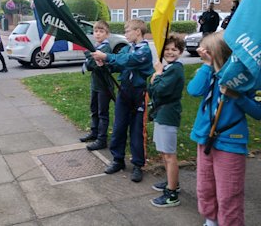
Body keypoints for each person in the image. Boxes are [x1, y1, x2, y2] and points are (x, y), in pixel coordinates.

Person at [187, 31, 261, 226]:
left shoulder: (246, 78)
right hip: (205, 138)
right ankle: (210, 220)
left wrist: (238, 96)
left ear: (220, 53)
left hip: (230, 141)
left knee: (229, 192)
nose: (203, 53)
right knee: (205, 186)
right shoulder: (209, 73)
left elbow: (258, 112)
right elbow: (193, 91)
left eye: (207, 50)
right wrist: (206, 65)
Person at [91, 19, 153, 182]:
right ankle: (118, 159)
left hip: (138, 93)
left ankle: (138, 164)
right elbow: (118, 64)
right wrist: (104, 63)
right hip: (124, 91)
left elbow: (128, 61)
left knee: (137, 130)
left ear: (138, 31)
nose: (125, 34)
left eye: (127, 30)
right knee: (118, 126)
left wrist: (107, 56)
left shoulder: (144, 51)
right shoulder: (127, 48)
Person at [148, 35, 185, 208]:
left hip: (168, 115)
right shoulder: (168, 68)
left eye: (174, 49)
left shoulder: (175, 69)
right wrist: (156, 78)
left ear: (181, 52)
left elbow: (160, 90)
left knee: (169, 155)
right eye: (167, 49)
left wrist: (157, 73)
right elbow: (151, 89)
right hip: (160, 113)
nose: (170, 52)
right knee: (163, 152)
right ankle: (171, 182)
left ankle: (172, 193)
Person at [80, 21, 113, 151]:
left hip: (104, 86)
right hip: (96, 84)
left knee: (102, 112)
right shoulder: (96, 47)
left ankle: (102, 139)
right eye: (96, 31)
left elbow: (92, 65)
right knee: (94, 109)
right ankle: (94, 132)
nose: (98, 34)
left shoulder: (105, 49)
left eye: (101, 31)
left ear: (107, 34)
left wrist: (87, 53)